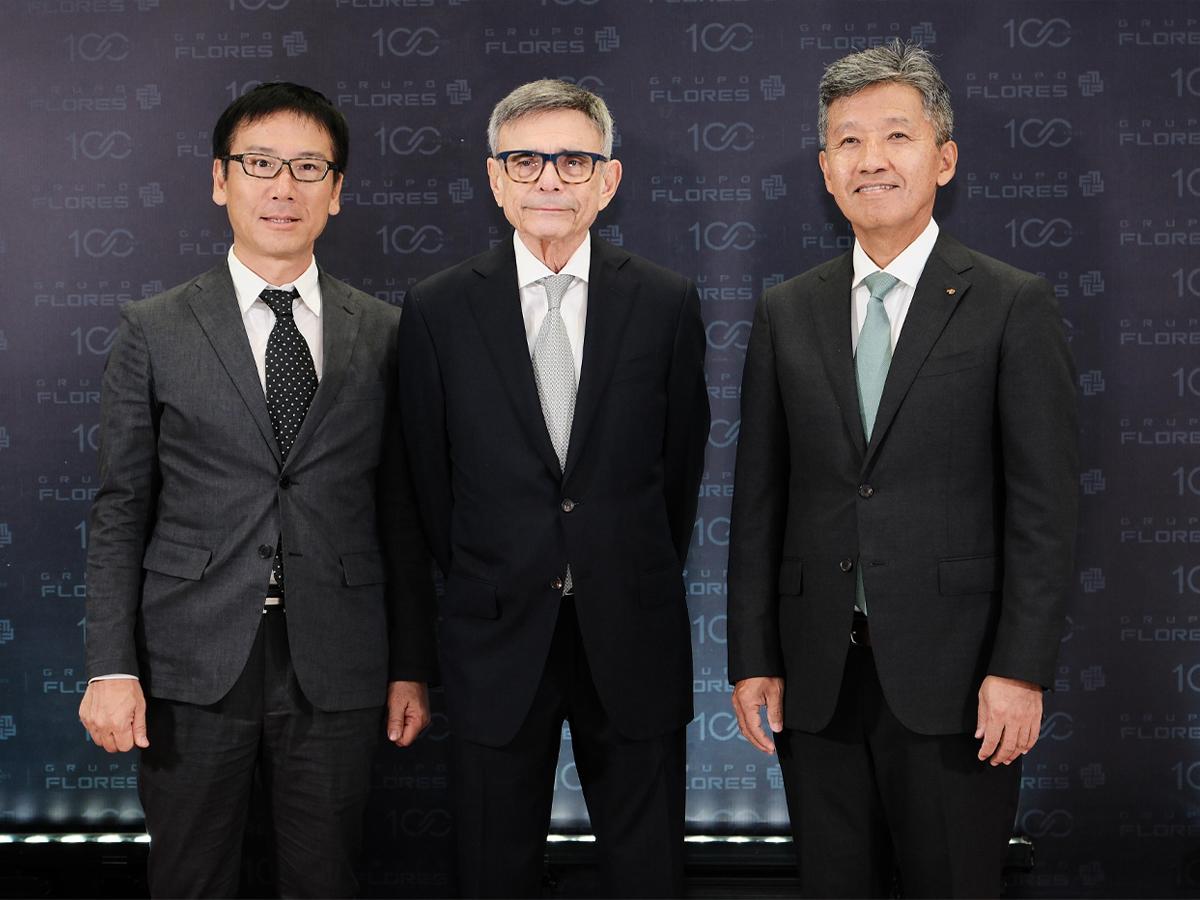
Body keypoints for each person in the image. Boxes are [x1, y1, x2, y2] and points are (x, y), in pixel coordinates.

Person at [727, 41, 1078, 898]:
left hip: (962, 684)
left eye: (896, 136)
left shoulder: (1009, 301)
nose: (871, 160)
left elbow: (1045, 506)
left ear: (944, 158)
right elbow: (760, 497)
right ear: (824, 168)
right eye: (848, 141)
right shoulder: (786, 308)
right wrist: (751, 656)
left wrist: (1021, 668)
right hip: (818, 682)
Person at [77, 82, 437, 898]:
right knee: (191, 877)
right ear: (220, 180)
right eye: (261, 164)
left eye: (310, 168)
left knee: (325, 879)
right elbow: (120, 508)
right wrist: (109, 666)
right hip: (188, 660)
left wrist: (411, 663)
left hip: (339, 661)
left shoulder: (386, 332)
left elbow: (402, 515)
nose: (284, 187)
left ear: (337, 192)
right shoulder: (154, 327)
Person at [397, 79, 709, 897]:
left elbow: (679, 473)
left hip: (632, 631)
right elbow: (428, 487)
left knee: (647, 871)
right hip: (496, 634)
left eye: (573, 160)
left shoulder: (668, 303)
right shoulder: (435, 309)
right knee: (492, 870)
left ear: (607, 180)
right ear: (494, 179)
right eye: (526, 160)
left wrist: (614, 559)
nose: (548, 180)